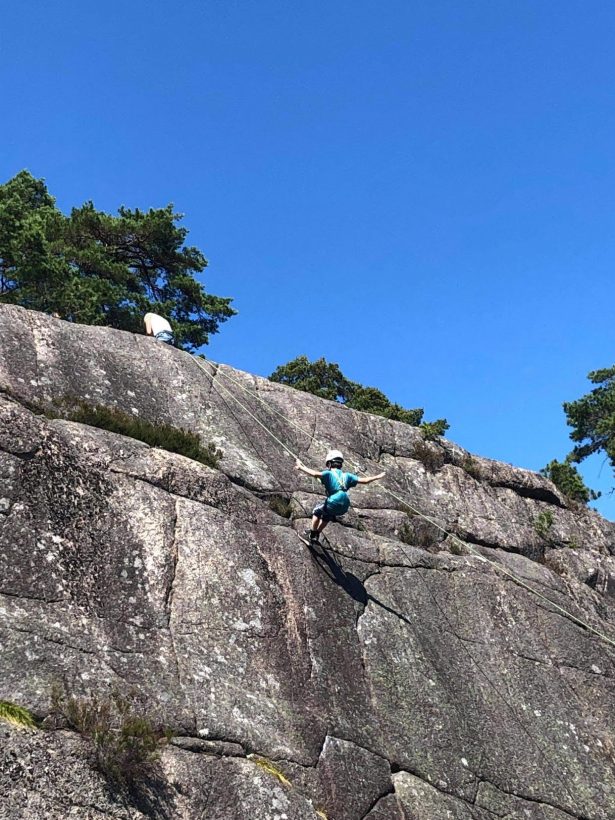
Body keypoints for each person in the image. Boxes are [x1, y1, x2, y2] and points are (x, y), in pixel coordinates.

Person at [295, 449, 385, 543]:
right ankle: (317, 533)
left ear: (330, 464)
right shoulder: (348, 476)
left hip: (335, 499)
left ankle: (312, 535)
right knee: (327, 515)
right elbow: (365, 481)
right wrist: (377, 477)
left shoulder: (328, 473)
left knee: (317, 511)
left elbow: (314, 474)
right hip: (345, 504)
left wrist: (300, 467)